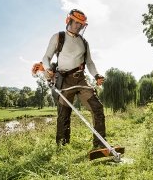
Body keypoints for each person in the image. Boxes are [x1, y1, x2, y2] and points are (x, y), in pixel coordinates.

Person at [41, 9, 106, 148]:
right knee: (64, 115)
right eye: (76, 22)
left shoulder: (84, 42)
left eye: (81, 23)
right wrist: (47, 69)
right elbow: (46, 57)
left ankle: (100, 145)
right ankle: (63, 147)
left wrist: (96, 75)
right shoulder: (59, 37)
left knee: (97, 108)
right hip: (64, 80)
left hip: (81, 79)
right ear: (69, 21)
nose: (79, 26)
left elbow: (89, 62)